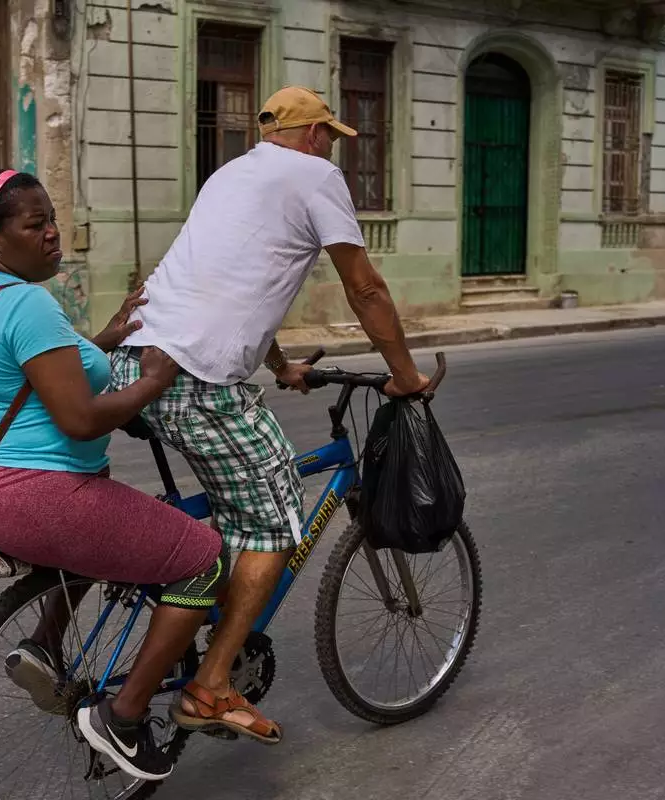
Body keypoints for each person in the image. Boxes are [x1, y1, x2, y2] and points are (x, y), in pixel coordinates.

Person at [108, 86, 432, 743]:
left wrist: (279, 364)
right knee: (274, 520)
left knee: (236, 503)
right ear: (312, 134)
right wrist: (405, 375)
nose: (330, 146)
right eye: (329, 135)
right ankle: (210, 686)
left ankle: (197, 611)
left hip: (131, 363)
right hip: (193, 379)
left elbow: (238, 283)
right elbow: (365, 286)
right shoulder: (317, 176)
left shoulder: (231, 174)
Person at [0, 167, 230, 782]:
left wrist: (105, 340)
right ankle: (124, 716)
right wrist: (154, 381)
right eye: (34, 224)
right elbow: (81, 418)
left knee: (111, 539)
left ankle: (45, 643)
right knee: (203, 560)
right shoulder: (26, 302)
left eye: (52, 220)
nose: (52, 233)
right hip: (43, 496)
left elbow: (37, 376)